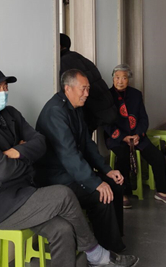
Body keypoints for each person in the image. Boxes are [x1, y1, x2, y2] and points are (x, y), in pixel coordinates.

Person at [0, 67, 138, 267]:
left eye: (5, 87)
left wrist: (18, 151)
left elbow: (40, 142)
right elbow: (2, 171)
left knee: (63, 229)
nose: (4, 92)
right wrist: (27, 158)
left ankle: (103, 252)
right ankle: (96, 254)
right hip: (0, 206)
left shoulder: (10, 114)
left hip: (24, 193)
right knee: (64, 194)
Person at [36, 69, 130, 254]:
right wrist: (96, 183)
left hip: (71, 172)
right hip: (56, 178)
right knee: (101, 195)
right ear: (68, 88)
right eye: (83, 89)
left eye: (88, 89)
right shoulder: (56, 112)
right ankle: (105, 255)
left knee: (115, 185)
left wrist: (106, 170)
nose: (87, 94)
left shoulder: (75, 108)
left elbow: (87, 143)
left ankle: (115, 242)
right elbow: (69, 155)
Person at [105, 64, 166, 208]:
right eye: (117, 77)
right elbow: (106, 123)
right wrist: (123, 137)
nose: (120, 81)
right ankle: (122, 193)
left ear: (128, 80)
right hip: (117, 138)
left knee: (157, 156)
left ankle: (161, 192)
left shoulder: (136, 95)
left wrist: (138, 134)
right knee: (123, 157)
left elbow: (143, 118)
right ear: (113, 79)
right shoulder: (107, 96)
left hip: (137, 136)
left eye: (124, 78)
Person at [60, 33, 118, 132]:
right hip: (98, 111)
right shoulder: (80, 58)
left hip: (86, 113)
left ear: (59, 46)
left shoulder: (63, 62)